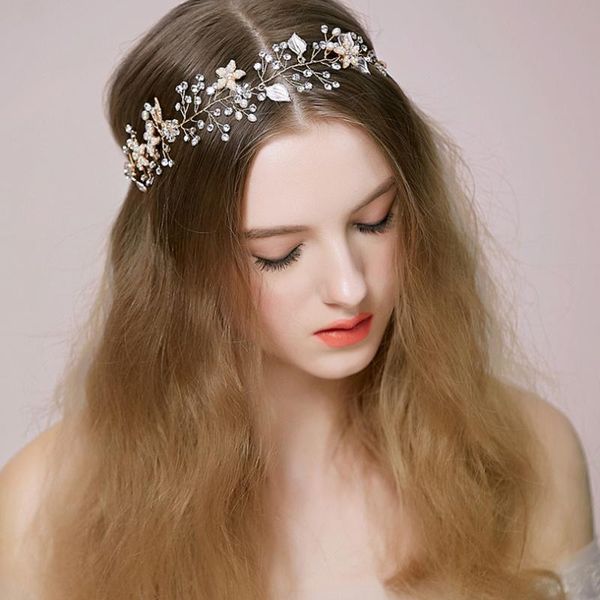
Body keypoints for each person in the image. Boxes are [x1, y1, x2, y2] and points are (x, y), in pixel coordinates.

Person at [0, 0, 598, 599]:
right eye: (280, 253)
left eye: (374, 221)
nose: (350, 287)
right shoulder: (44, 511)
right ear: (180, 271)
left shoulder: (533, 460)